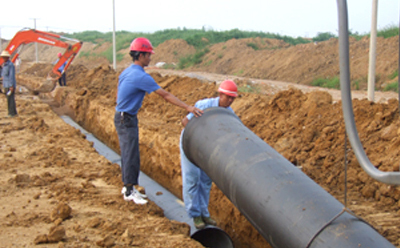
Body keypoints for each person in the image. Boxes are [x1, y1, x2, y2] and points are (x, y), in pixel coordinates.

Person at [114, 37, 203, 205]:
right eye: (147, 55)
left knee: (129, 153)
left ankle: (129, 187)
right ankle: (128, 191)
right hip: (126, 118)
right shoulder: (141, 77)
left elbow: (119, 90)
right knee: (130, 154)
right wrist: (187, 108)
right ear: (139, 55)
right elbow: (165, 95)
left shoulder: (127, 71)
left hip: (123, 115)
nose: (150, 58)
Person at [179, 79, 238, 229]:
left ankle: (205, 214)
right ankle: (195, 215)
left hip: (208, 148)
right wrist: (199, 138)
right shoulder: (204, 105)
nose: (230, 100)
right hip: (191, 142)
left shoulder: (229, 114)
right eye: (227, 97)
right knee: (192, 178)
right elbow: (185, 121)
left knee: (205, 180)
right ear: (220, 94)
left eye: (232, 98)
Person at [1, 50, 17, 117]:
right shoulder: (4, 65)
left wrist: (11, 86)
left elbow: (11, 76)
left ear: (8, 57)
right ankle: (13, 112)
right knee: (9, 99)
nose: (4, 58)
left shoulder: (10, 65)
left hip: (9, 85)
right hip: (5, 84)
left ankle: (12, 113)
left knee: (10, 99)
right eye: (3, 57)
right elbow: (3, 75)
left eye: (5, 57)